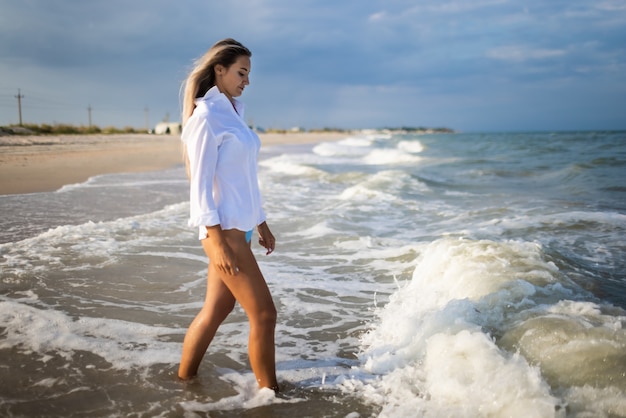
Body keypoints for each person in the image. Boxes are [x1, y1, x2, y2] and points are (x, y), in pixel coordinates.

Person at [178, 38, 279, 392]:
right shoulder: (206, 117)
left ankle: (183, 381)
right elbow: (200, 186)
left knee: (215, 312)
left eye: (248, 73)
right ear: (219, 69)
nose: (246, 80)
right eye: (241, 72)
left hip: (242, 230)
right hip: (225, 234)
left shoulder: (233, 112)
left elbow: (245, 179)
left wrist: (261, 222)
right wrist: (215, 239)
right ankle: (270, 396)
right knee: (265, 315)